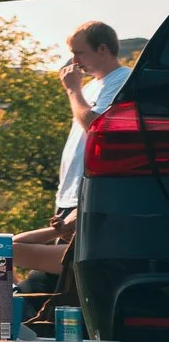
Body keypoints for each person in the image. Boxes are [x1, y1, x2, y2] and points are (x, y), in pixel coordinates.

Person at [54, 21, 129, 220]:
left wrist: (72, 90)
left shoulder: (122, 80)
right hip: (69, 194)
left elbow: (96, 127)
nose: (74, 61)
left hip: (88, 194)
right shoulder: (90, 87)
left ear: (102, 49)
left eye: (79, 53)